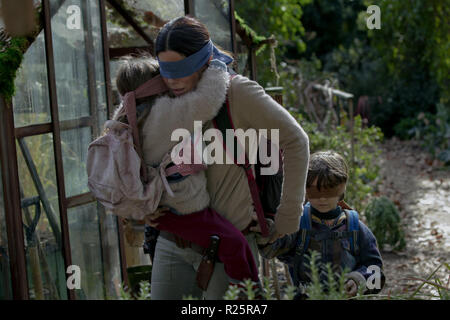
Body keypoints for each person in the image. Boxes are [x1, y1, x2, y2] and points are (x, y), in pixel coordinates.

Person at [144, 16, 310, 300]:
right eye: (165, 70)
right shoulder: (159, 96)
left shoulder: (237, 92)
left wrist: (288, 216)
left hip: (229, 247)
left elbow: (296, 141)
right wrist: (139, 204)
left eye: (181, 69)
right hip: (172, 243)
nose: (172, 80)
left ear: (205, 60)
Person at [113, 54, 260, 290]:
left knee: (230, 242)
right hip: (182, 208)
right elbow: (207, 101)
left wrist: (141, 208)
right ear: (155, 85)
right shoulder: (161, 114)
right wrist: (216, 66)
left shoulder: (124, 116)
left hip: (159, 209)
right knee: (235, 245)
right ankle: (248, 296)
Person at [258, 150, 385, 299]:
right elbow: (271, 249)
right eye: (315, 191)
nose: (322, 198)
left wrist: (358, 281)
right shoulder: (297, 225)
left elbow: (377, 273)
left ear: (342, 189)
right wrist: (266, 231)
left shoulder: (356, 228)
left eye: (329, 190)